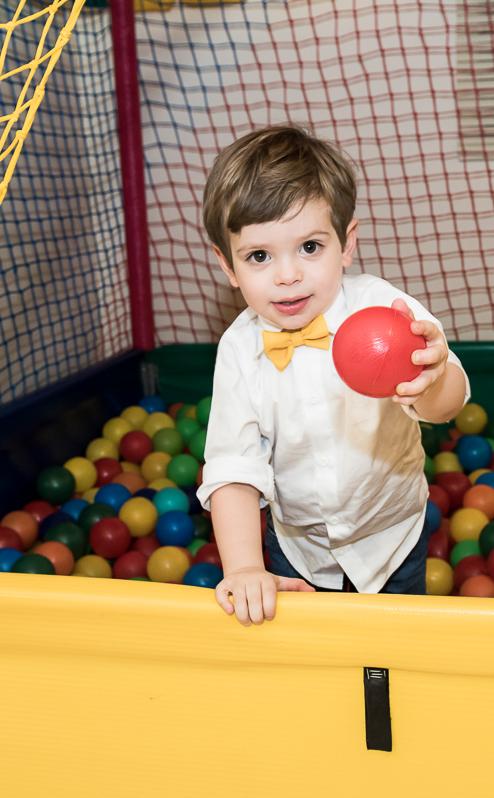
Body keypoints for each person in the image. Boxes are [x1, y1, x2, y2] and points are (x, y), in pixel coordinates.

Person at [196, 125, 470, 626]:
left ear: (346, 243)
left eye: (309, 247)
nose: (287, 275)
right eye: (259, 256)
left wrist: (432, 381)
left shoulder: (383, 308)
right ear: (227, 265)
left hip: (392, 539)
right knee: (306, 660)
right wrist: (245, 567)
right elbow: (233, 467)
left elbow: (447, 406)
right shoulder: (239, 349)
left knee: (393, 649)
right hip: (297, 551)